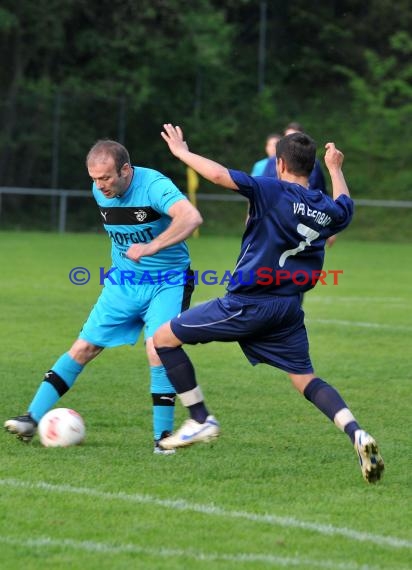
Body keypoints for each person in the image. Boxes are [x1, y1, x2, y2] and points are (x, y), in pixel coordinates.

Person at [152, 124, 384, 484]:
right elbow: (346, 207)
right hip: (288, 309)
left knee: (163, 338)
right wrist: (336, 168)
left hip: (250, 303)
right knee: (304, 378)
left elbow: (217, 174)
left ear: (278, 164)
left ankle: (200, 419)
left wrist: (182, 153)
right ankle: (357, 433)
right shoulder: (325, 208)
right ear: (313, 169)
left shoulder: (271, 189)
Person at [4, 139, 203, 454]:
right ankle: (31, 418)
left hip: (169, 281)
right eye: (94, 178)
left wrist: (151, 247)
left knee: (157, 349)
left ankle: (163, 440)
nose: (100, 185)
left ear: (126, 169)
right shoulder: (100, 190)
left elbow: (191, 218)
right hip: (123, 283)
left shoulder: (154, 185)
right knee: (83, 347)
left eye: (107, 177)